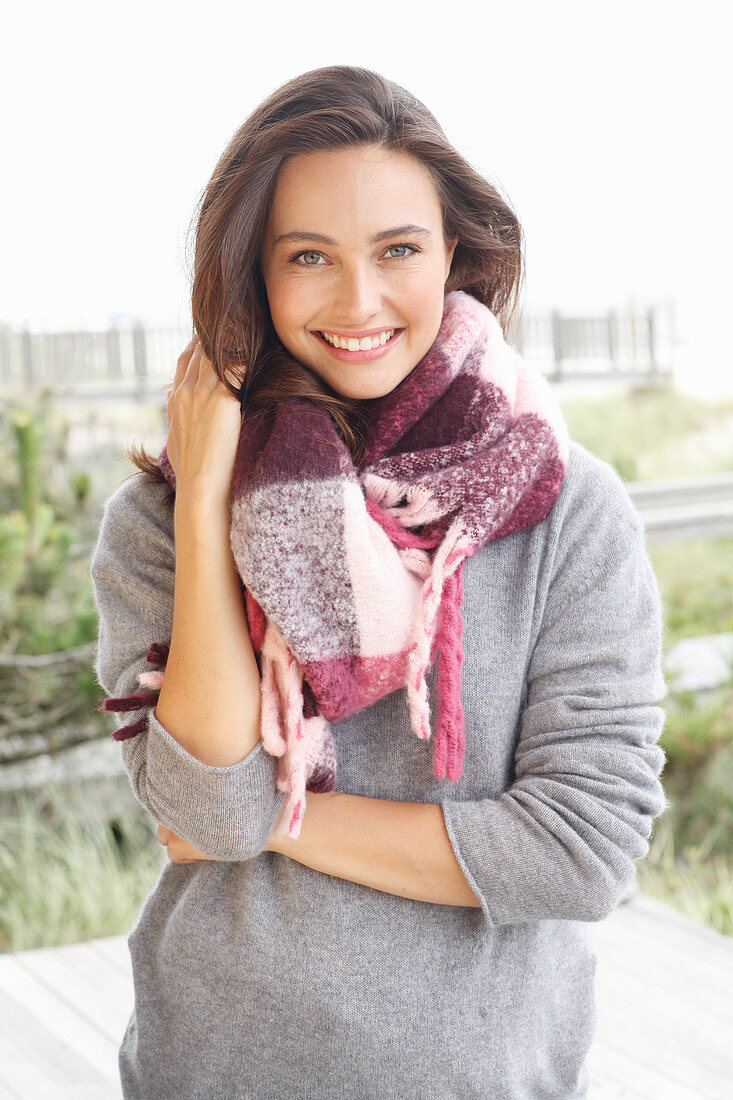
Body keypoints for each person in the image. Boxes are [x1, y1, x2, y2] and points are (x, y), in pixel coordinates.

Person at [90, 65, 668, 1099]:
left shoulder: (562, 507)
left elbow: (578, 853)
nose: (358, 300)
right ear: (251, 275)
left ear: (454, 251)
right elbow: (202, 816)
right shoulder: (163, 519)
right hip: (213, 1070)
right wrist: (207, 487)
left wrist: (270, 815)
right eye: (307, 255)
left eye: (396, 249)